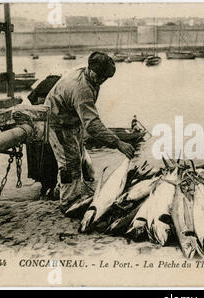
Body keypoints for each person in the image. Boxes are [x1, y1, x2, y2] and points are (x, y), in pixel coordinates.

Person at [45, 51, 136, 212]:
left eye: (105, 78)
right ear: (90, 69)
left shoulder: (89, 76)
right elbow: (92, 125)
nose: (101, 80)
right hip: (57, 122)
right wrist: (118, 143)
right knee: (69, 162)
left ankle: (62, 191)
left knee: (77, 156)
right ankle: (68, 203)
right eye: (99, 76)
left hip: (72, 119)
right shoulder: (82, 89)